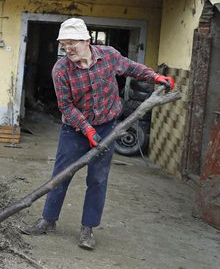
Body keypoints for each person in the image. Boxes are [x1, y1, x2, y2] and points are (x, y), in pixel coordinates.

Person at [20, 18, 174, 250]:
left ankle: (87, 229)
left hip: (107, 126)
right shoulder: (61, 70)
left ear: (87, 41)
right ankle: (48, 220)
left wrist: (154, 77)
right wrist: (87, 129)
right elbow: (66, 107)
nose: (68, 49)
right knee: (61, 175)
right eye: (64, 45)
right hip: (74, 130)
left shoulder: (109, 55)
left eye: (72, 43)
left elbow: (131, 67)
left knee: (98, 179)